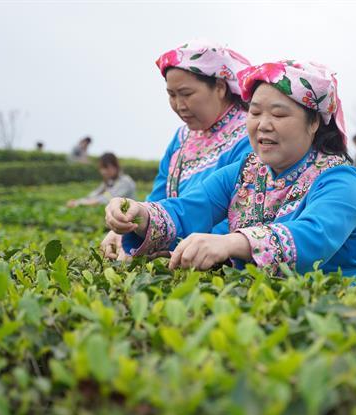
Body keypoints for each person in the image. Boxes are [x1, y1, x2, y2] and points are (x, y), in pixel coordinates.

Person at [103, 61, 356, 280]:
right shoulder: (245, 172)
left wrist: (232, 243)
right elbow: (190, 208)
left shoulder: (339, 179)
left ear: (313, 122)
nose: (263, 125)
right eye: (255, 113)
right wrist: (140, 213)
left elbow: (314, 237)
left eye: (278, 115)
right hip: (254, 301)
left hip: (330, 307)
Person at [100, 40, 253, 259]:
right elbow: (158, 197)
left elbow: (242, 214)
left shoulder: (249, 135)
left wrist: (182, 248)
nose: (179, 105)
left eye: (186, 93)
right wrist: (128, 228)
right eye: (172, 95)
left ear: (219, 87)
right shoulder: (181, 138)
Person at [67, 152, 136, 207]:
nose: (103, 172)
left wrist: (79, 203)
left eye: (106, 167)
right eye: (102, 168)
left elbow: (108, 200)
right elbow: (95, 195)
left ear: (115, 166)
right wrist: (78, 201)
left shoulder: (125, 182)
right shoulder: (109, 181)